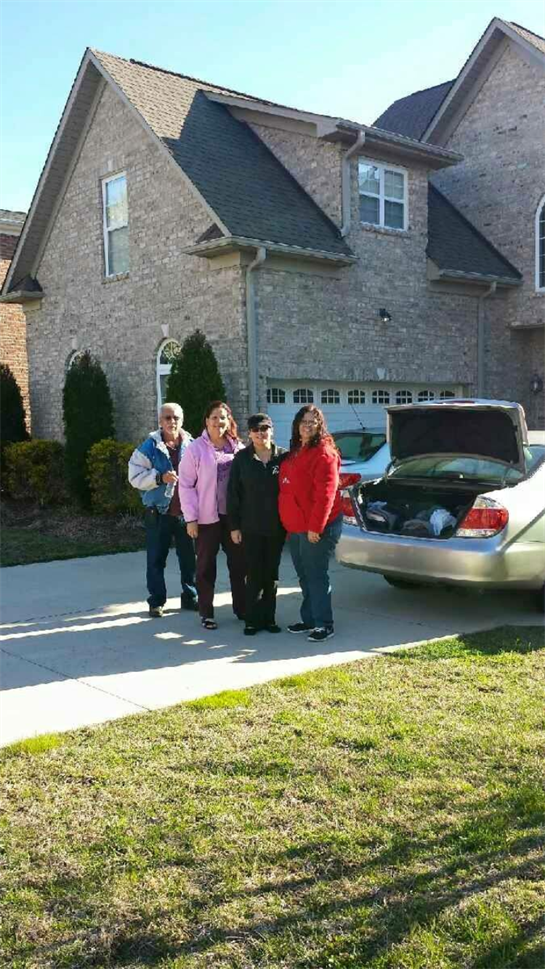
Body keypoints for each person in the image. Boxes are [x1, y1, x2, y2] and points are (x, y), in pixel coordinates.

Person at [178, 400, 246, 630]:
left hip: (232, 519)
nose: (219, 422)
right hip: (207, 519)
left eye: (223, 417)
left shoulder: (238, 448)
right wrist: (191, 518)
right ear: (206, 421)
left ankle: (242, 609)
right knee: (206, 567)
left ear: (229, 421)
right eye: (214, 417)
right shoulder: (195, 449)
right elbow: (185, 485)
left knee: (239, 565)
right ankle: (206, 613)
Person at [278, 404, 342, 643]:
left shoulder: (324, 453)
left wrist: (316, 527)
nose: (307, 425)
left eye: (312, 422)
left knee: (316, 575)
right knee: (304, 575)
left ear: (319, 426)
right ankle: (309, 619)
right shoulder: (297, 450)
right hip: (296, 527)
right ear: (297, 424)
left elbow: (325, 494)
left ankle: (324, 624)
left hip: (315, 527)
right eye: (303, 421)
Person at [128, 403, 197, 618]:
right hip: (159, 513)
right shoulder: (149, 447)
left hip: (186, 515)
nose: (171, 421)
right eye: (167, 417)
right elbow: (134, 477)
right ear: (160, 421)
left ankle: (190, 596)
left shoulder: (193, 445)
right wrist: (159, 478)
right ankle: (157, 601)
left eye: (175, 417)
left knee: (189, 560)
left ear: (182, 420)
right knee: (156, 560)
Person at [227, 413, 286, 636]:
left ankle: (269, 618)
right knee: (253, 574)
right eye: (255, 430)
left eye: (264, 428)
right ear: (249, 433)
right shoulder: (241, 459)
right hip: (249, 527)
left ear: (271, 430)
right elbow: (233, 495)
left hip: (276, 528)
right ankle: (251, 619)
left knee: (271, 575)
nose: (260, 433)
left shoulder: (283, 458)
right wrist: (234, 527)